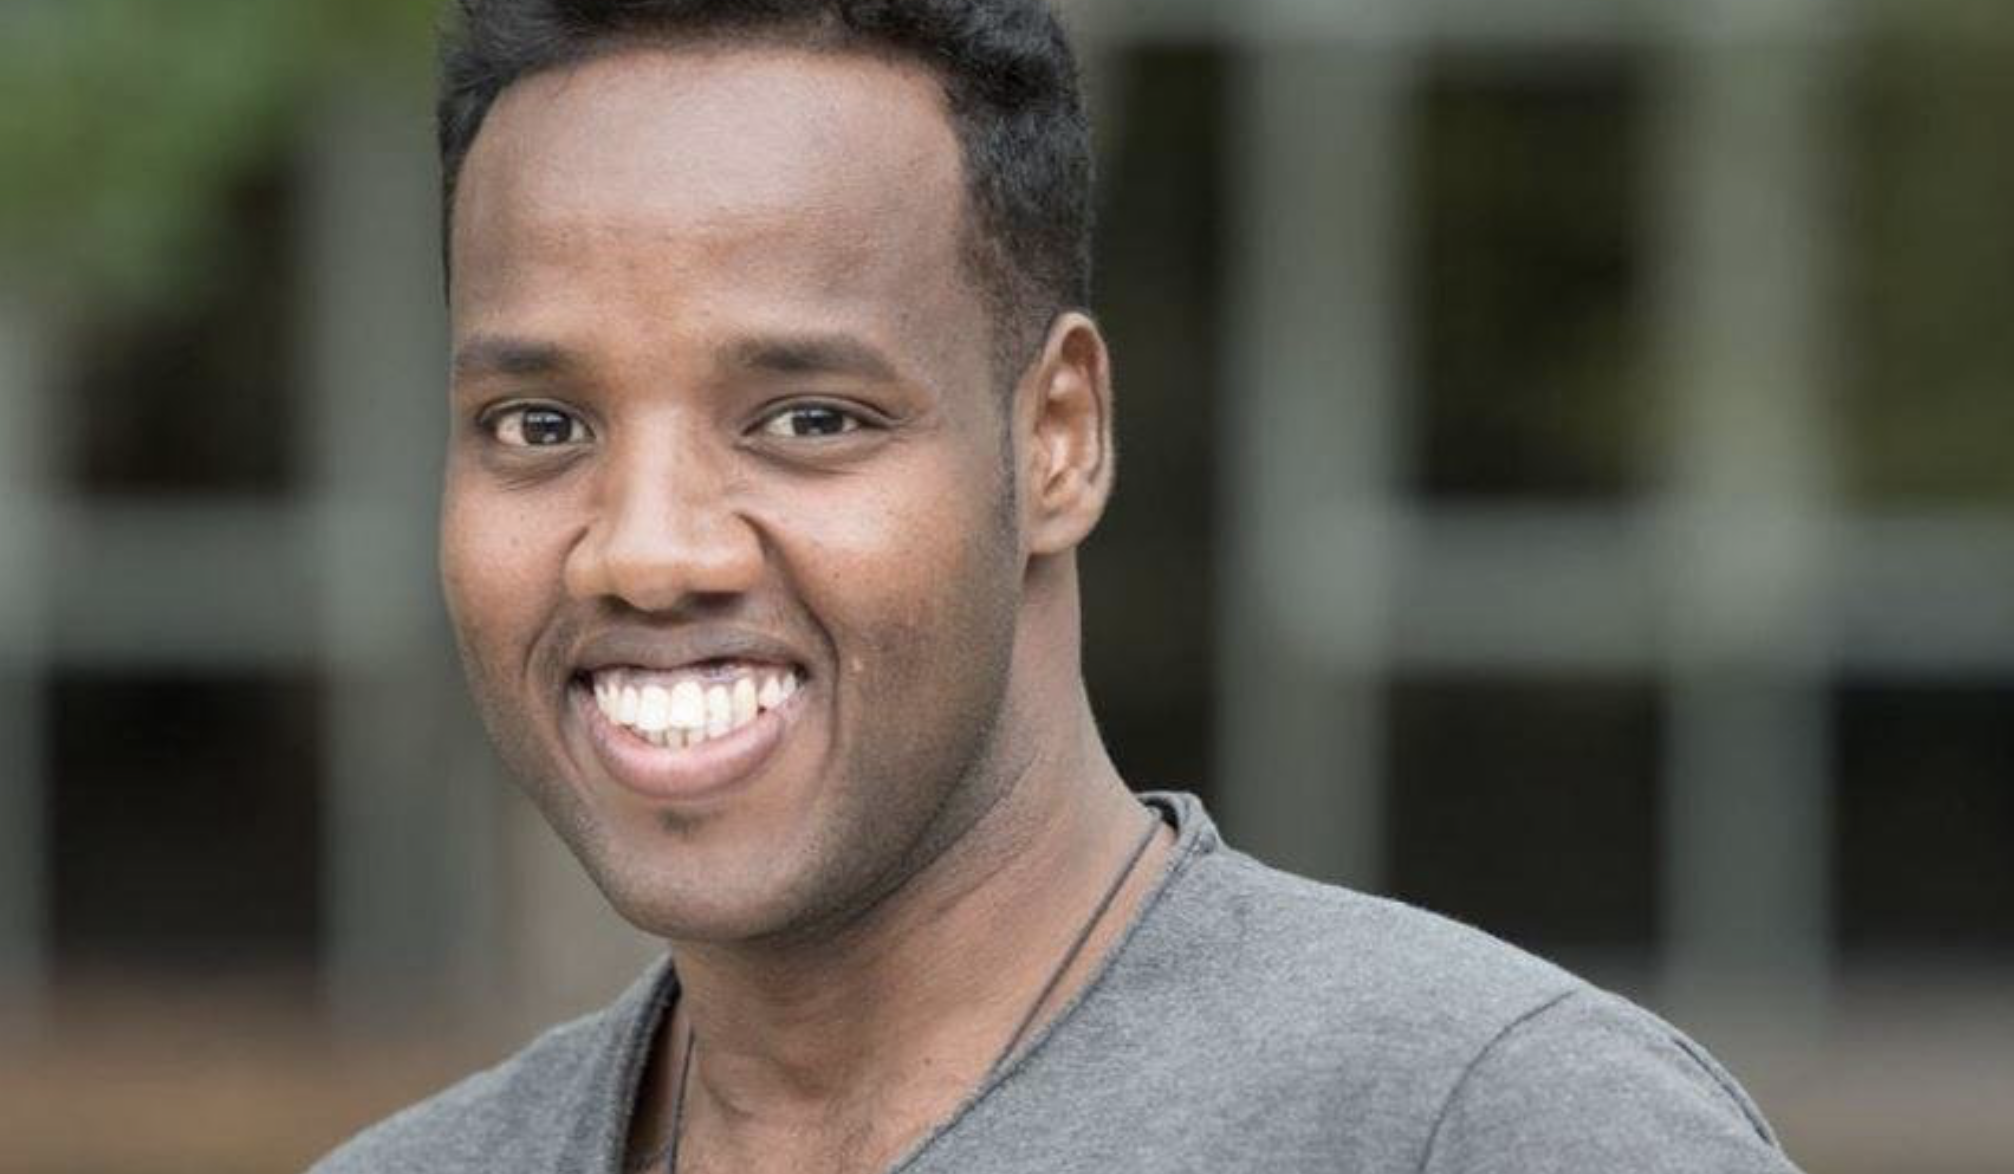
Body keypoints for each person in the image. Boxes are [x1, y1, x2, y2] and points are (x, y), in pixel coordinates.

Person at [312, 1, 1803, 1170]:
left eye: (808, 418)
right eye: (541, 427)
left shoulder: (1485, 1126)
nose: (648, 548)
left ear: (1059, 439)